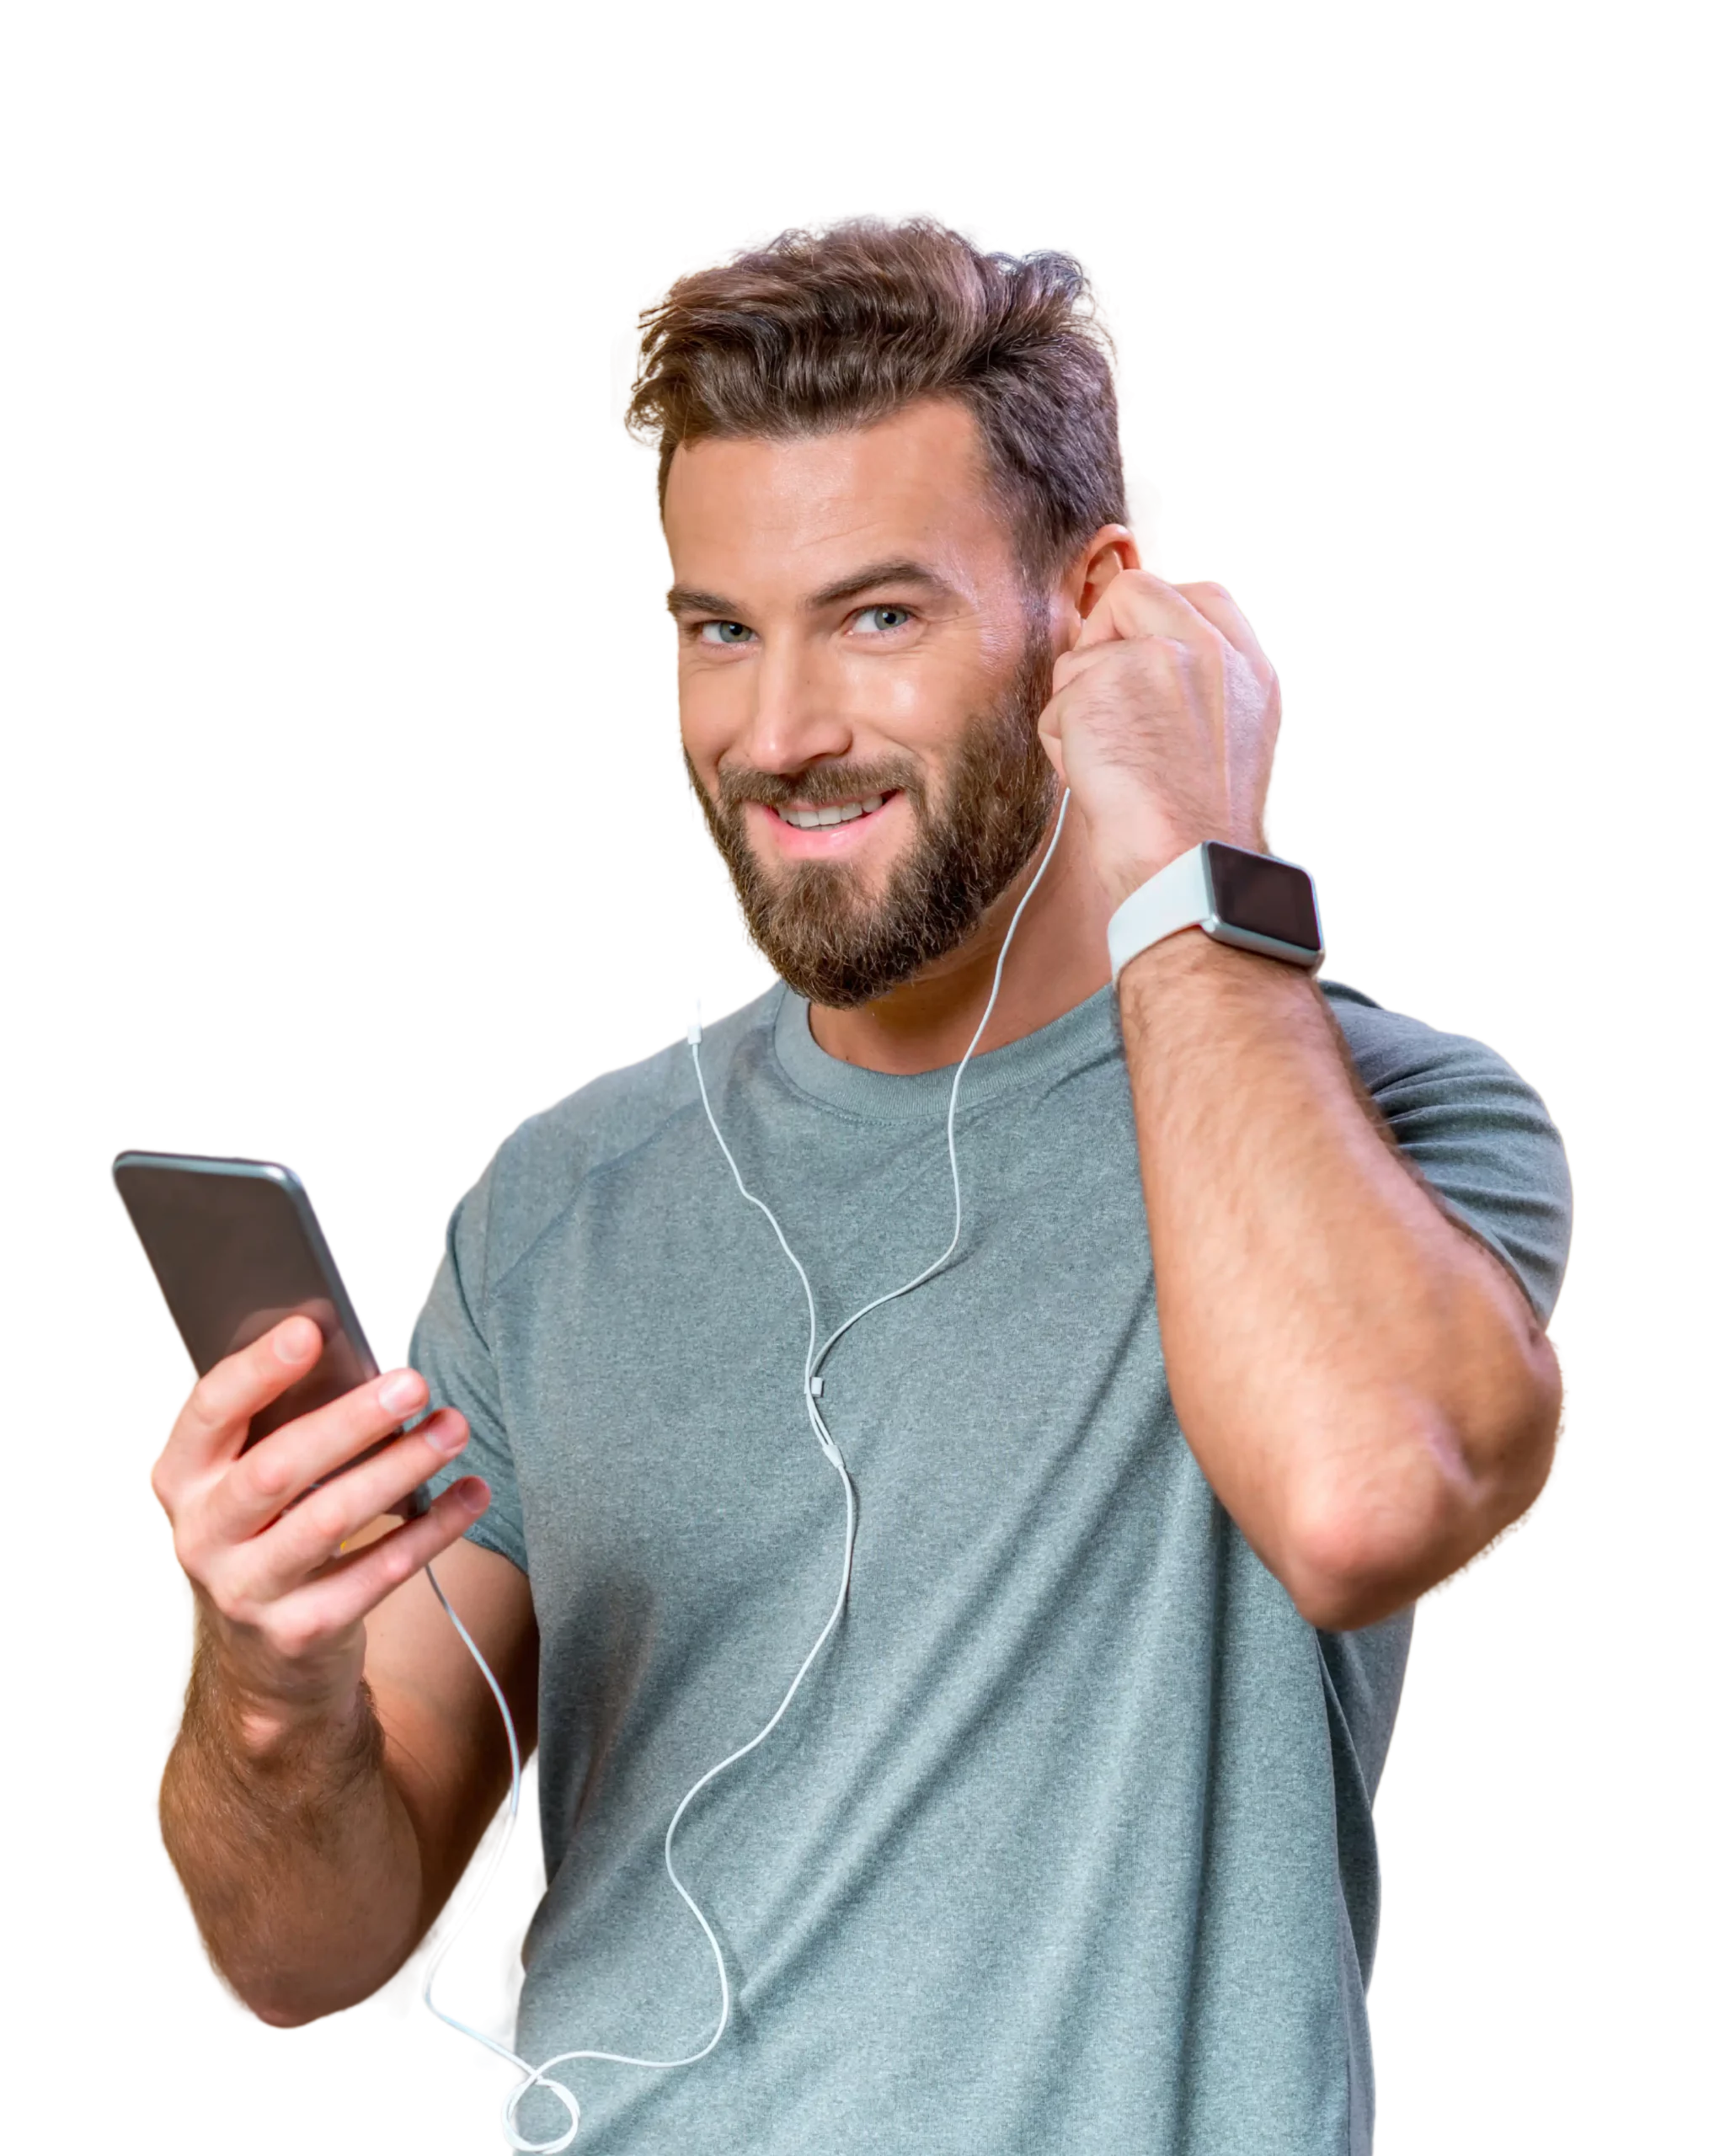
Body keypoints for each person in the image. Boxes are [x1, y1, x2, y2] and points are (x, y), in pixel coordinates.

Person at [147, 211, 1573, 2153]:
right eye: (719, 629)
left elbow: (1362, 1499)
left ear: (1097, 609)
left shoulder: (1388, 1116)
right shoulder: (558, 1193)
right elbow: (300, 1955)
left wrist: (1192, 857)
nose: (778, 733)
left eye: (878, 616)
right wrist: (266, 1672)